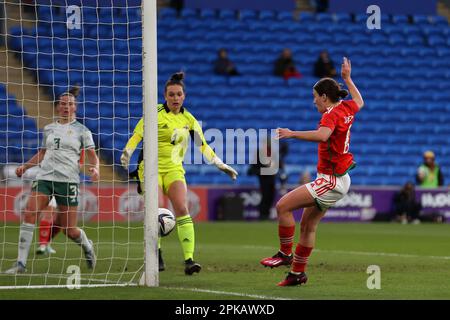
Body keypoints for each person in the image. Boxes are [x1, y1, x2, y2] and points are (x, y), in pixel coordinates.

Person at [260, 57, 364, 286]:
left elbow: (322, 135)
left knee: (282, 206)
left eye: (315, 97)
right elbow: (360, 101)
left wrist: (291, 133)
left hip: (331, 179)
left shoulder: (331, 114)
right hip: (337, 178)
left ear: (324, 97)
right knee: (307, 226)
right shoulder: (345, 107)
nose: (314, 101)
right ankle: (297, 274)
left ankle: (285, 254)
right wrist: (347, 78)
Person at [120, 72, 238, 275]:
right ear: (165, 96)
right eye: (171, 94)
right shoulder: (154, 113)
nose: (175, 98)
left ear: (184, 96)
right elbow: (137, 135)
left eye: (179, 94)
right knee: (156, 210)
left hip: (174, 168)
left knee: (182, 208)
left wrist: (220, 163)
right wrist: (127, 152)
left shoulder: (188, 119)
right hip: (150, 168)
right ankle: (156, 255)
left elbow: (203, 146)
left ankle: (189, 260)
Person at [4, 86, 100, 274]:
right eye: (63, 104)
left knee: (69, 230)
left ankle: (87, 246)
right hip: (45, 178)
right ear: (57, 107)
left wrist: (95, 168)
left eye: (70, 104)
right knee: (30, 212)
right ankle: (20, 264)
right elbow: (42, 153)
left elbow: (92, 156)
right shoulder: (49, 129)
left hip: (69, 181)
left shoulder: (82, 131)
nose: (66, 107)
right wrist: (25, 166)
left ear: (75, 107)